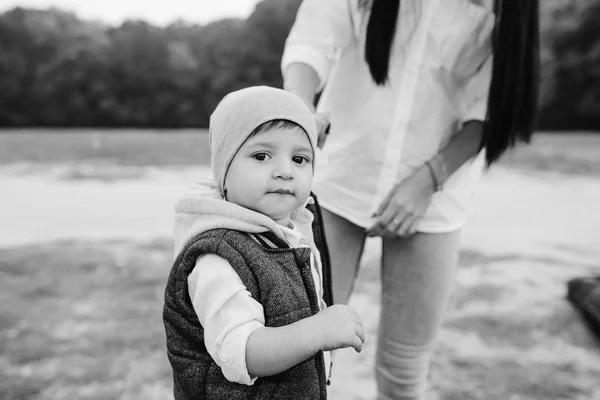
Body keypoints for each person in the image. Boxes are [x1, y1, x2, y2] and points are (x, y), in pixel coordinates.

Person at [282, 0, 540, 399]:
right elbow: (313, 37)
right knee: (304, 353)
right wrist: (298, 114)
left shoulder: (505, 8)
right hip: (338, 178)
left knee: (403, 371)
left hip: (435, 196)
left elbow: (492, 106)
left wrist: (427, 182)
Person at [162, 86, 365, 400]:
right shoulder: (218, 256)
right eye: (261, 155)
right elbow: (240, 354)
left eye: (299, 158)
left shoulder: (291, 233)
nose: (285, 171)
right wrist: (318, 331)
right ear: (224, 171)